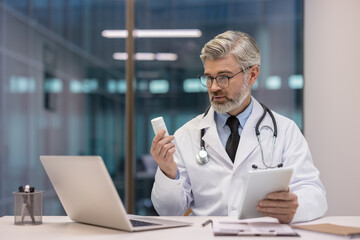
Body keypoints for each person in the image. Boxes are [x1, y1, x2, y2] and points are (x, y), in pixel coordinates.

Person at [150, 30, 327, 223]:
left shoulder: (286, 131)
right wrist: (168, 172)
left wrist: (295, 207)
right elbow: (169, 211)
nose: (214, 87)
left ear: (252, 75)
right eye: (209, 77)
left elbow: (314, 193)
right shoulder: (186, 135)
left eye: (224, 77)